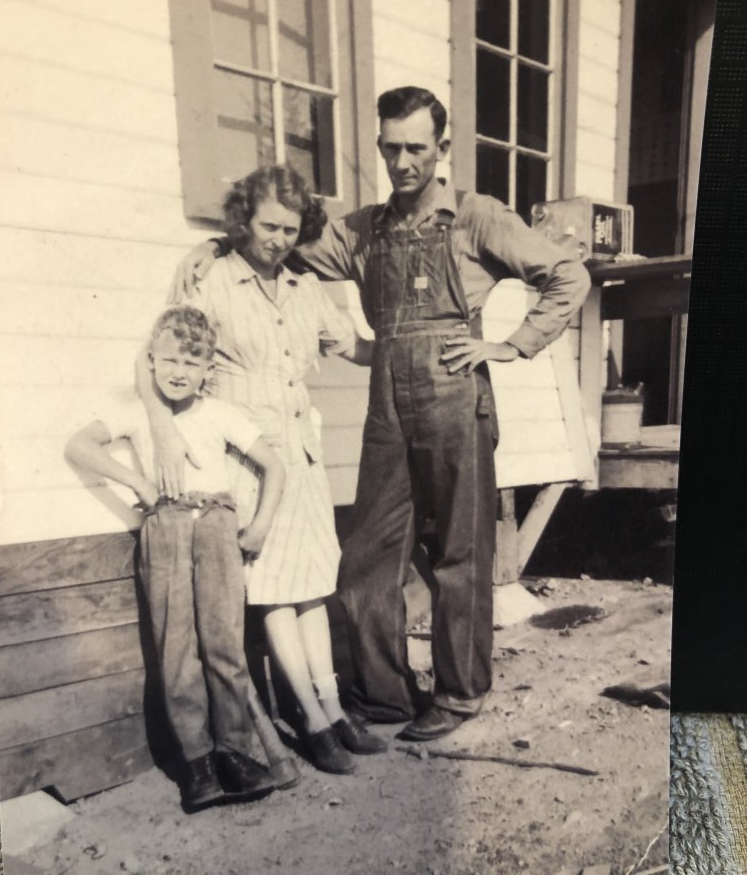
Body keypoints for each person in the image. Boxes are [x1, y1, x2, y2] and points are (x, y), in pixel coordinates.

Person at [169, 87, 592, 742]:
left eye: (415, 148)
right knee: (366, 556)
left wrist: (508, 346)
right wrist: (220, 248)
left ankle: (458, 692)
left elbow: (567, 274)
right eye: (390, 148)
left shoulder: (477, 217)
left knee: (459, 553)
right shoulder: (363, 230)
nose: (402, 162)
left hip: (455, 395)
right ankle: (384, 695)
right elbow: (280, 246)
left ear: (441, 149)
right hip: (387, 402)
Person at [143, 165, 386, 774]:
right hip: (246, 457)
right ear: (242, 223)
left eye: (289, 227)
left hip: (299, 453)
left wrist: (412, 342)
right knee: (276, 589)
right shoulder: (212, 279)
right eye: (268, 225)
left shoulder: (306, 286)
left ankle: (333, 710)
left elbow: (355, 346)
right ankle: (309, 717)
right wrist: (164, 431)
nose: (279, 238)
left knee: (310, 586)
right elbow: (155, 360)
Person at [65, 305, 282, 812]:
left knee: (225, 644)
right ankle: (198, 764)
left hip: (218, 528)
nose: (179, 372)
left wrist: (262, 524)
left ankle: (235, 752)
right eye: (169, 361)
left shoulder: (221, 414)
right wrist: (138, 484)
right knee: (177, 648)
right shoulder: (138, 414)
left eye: (192, 362)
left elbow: (274, 467)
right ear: (152, 361)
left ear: (209, 369)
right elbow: (79, 445)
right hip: (164, 526)